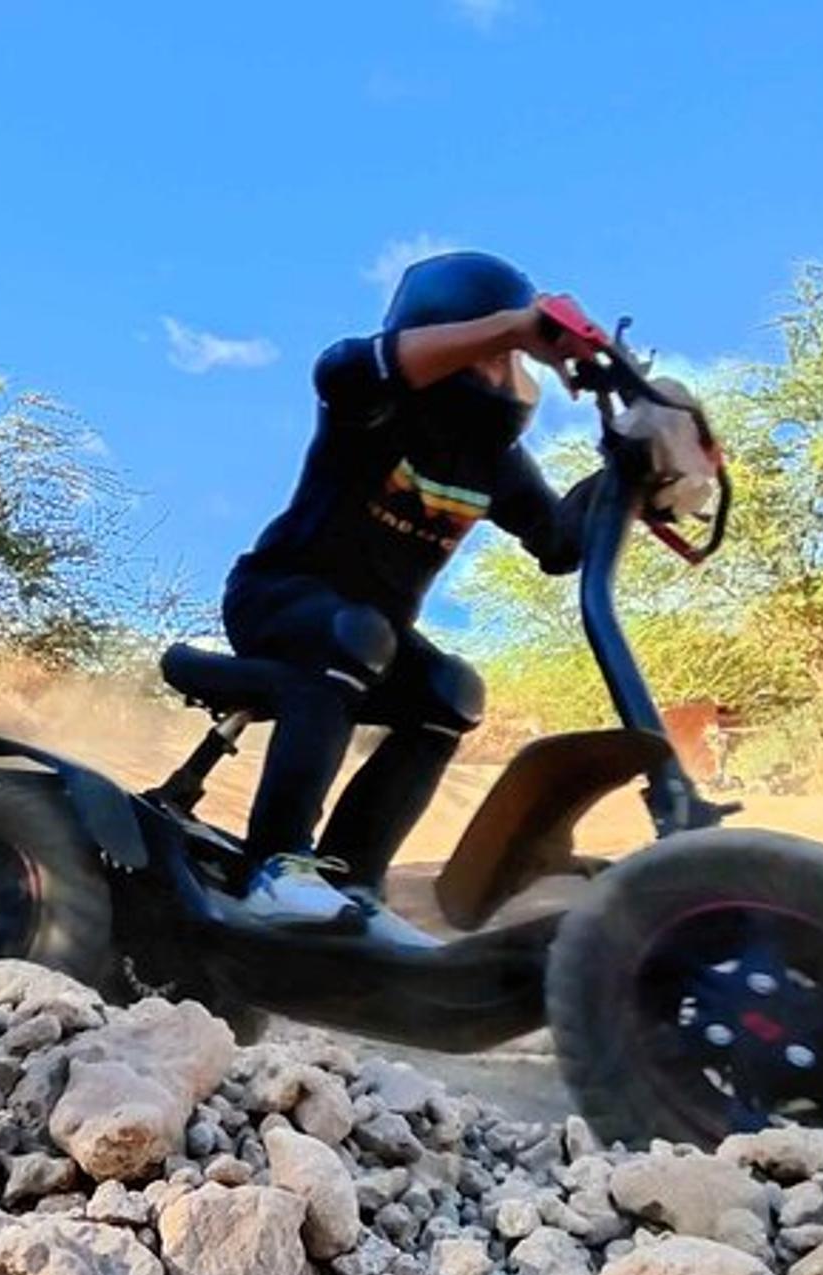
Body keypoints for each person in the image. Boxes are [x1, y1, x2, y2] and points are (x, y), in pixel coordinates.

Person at [222, 250, 612, 922]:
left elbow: (561, 544)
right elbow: (346, 366)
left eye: (513, 357)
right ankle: (276, 866)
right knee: (357, 634)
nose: (507, 372)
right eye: (494, 352)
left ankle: (353, 884)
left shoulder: (497, 464)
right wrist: (514, 325)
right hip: (276, 599)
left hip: (370, 639)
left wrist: (628, 466)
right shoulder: (372, 409)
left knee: (449, 692)